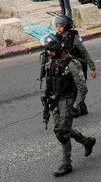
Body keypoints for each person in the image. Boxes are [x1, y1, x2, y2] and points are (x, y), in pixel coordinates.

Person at [41, 34, 97, 177]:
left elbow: (82, 88)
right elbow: (49, 80)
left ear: (60, 49)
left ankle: (66, 164)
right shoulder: (52, 61)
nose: (50, 53)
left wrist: (76, 106)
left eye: (52, 51)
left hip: (67, 100)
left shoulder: (72, 64)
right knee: (59, 130)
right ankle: (87, 141)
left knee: (62, 132)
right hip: (55, 100)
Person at [53, 15, 97, 117]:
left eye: (61, 26)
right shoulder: (58, 36)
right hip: (68, 67)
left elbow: (84, 52)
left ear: (66, 26)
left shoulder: (74, 37)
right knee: (72, 88)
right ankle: (81, 108)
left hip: (79, 66)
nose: (58, 28)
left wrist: (92, 68)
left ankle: (77, 108)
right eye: (57, 26)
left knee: (79, 87)